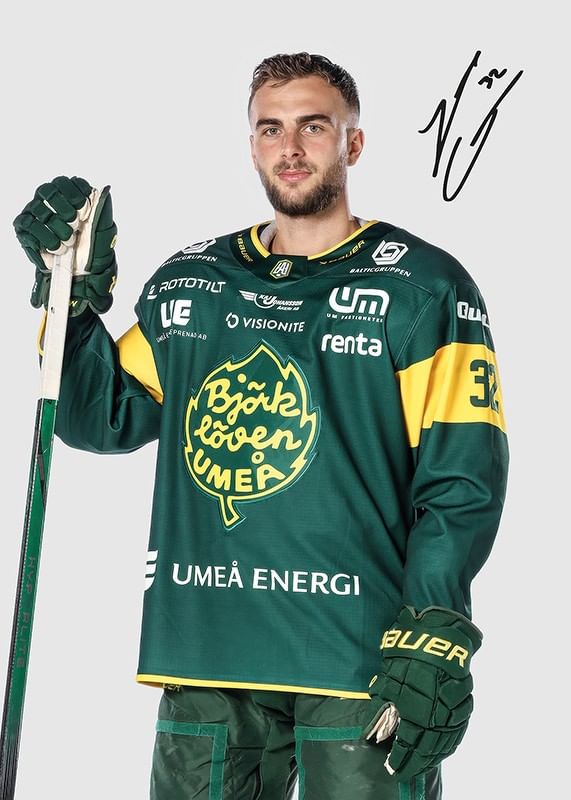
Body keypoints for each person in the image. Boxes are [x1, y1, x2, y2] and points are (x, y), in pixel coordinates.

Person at [13, 52, 509, 800]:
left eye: (314, 126)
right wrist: (72, 300)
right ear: (251, 145)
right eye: (271, 129)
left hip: (356, 656)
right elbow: (99, 418)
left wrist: (436, 622)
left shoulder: (424, 287)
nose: (291, 147)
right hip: (207, 651)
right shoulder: (195, 284)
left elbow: (461, 477)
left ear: (353, 142)